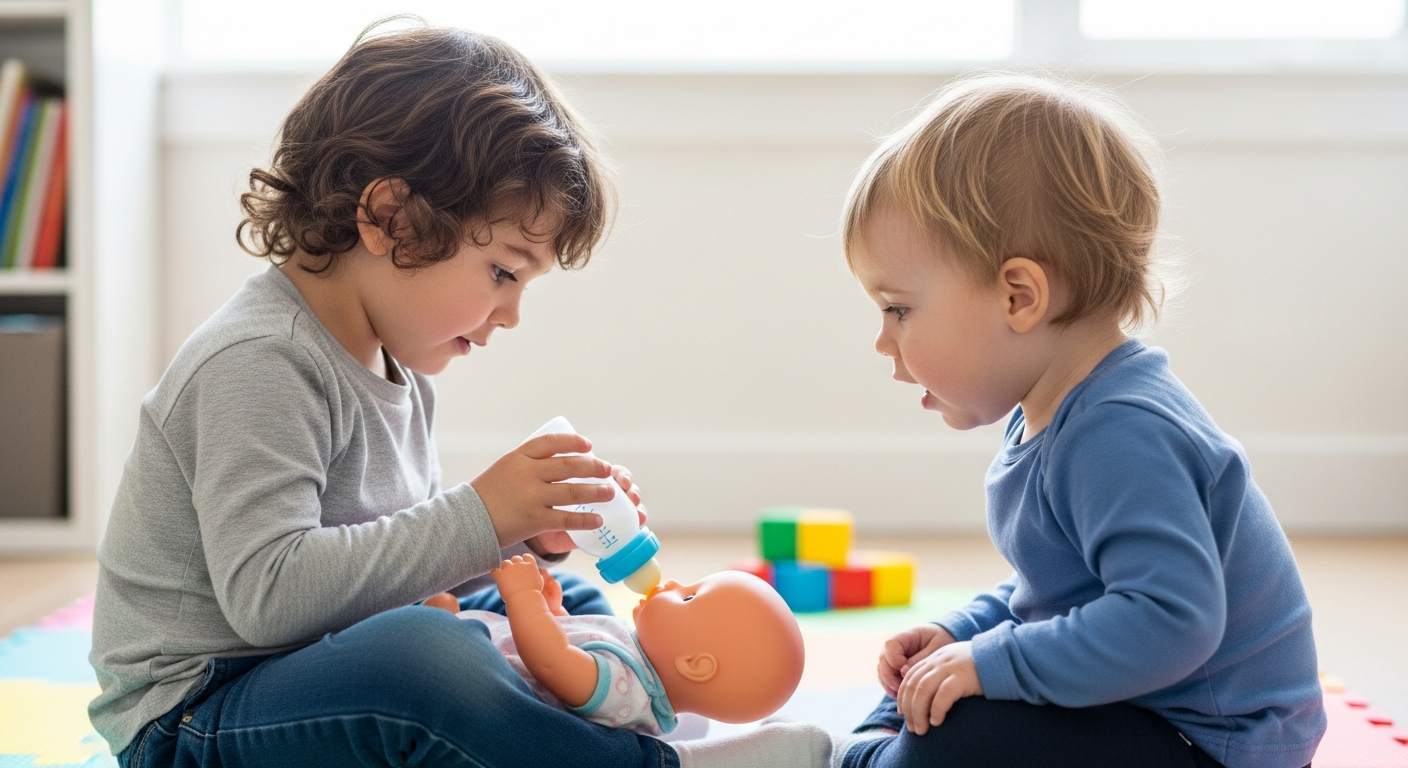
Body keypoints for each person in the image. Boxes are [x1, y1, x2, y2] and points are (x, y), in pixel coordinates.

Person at [85, 22, 690, 768]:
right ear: (389, 217)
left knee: (552, 602)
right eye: (504, 272)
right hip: (195, 717)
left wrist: (519, 535)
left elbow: (384, 567)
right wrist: (484, 512)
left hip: (303, 670)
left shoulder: (394, 364)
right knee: (427, 659)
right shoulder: (259, 361)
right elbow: (272, 597)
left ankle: (629, 715)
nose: (511, 315)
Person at [824, 73, 1326, 768]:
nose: (884, 341)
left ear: (1020, 296)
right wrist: (961, 632)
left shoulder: (1121, 431)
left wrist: (989, 663)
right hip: (1145, 707)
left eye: (898, 309)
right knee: (935, 686)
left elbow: (1170, 621)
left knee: (970, 731)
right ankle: (873, 748)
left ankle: (859, 759)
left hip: (1211, 745)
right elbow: (1061, 590)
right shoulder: (1057, 409)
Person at [428, 555, 804, 736]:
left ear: (694, 664)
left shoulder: (623, 692)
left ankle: (433, 628)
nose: (672, 585)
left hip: (471, 681)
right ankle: (438, 622)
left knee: (444, 647)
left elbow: (552, 664)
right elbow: (578, 645)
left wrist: (524, 598)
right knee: (576, 594)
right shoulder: (635, 666)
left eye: (688, 597)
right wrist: (556, 613)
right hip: (486, 646)